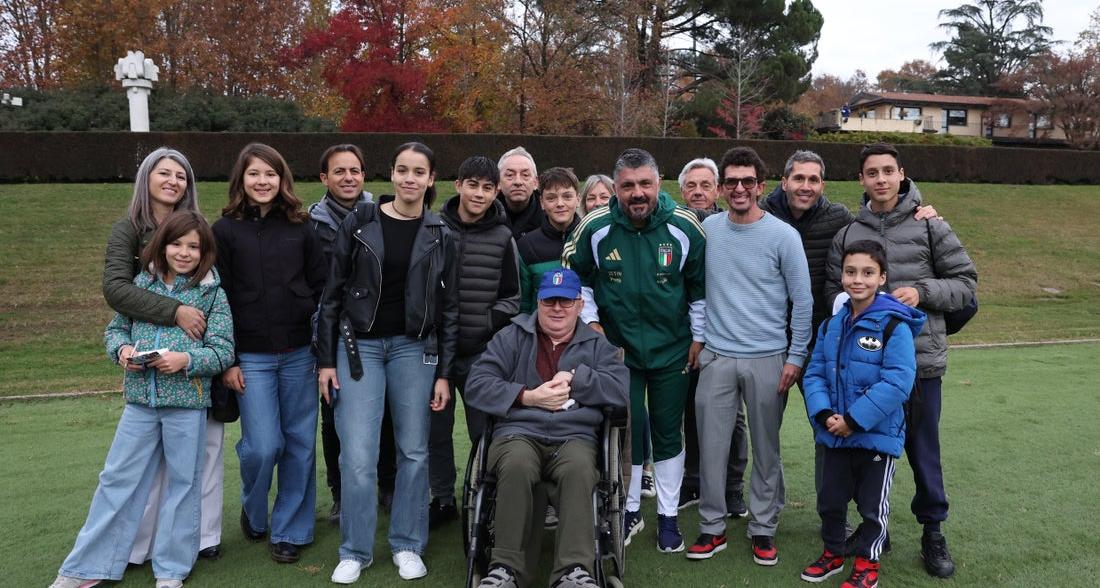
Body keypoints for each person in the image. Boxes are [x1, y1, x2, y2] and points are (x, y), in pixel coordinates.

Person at [51, 211, 234, 588]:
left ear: (205, 253)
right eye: (176, 244)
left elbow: (223, 351)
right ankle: (86, 568)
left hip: (188, 405)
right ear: (161, 245)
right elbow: (115, 330)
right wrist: (121, 351)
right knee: (116, 479)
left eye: (193, 247)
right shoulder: (140, 283)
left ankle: (171, 571)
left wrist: (186, 360)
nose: (184, 253)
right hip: (139, 403)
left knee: (184, 485)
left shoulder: (213, 292)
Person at [824, 144, 977, 579]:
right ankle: (876, 529)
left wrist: (921, 292)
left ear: (901, 173)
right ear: (861, 180)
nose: (881, 179)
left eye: (888, 171)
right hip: (864, 371)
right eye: (872, 172)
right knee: (868, 451)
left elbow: (965, 284)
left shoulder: (931, 225)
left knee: (923, 452)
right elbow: (833, 297)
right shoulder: (848, 234)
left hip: (921, 363)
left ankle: (933, 531)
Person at [317, 142, 458, 584]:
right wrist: (325, 360)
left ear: (432, 178)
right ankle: (355, 550)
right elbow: (332, 295)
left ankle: (407, 544)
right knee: (358, 454)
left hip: (415, 350)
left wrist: (445, 374)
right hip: (359, 347)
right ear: (392, 175)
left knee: (413, 451)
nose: (410, 178)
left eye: (419, 171)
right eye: (402, 170)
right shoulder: (361, 222)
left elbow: (449, 308)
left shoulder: (441, 233)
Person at [564, 148, 706, 553]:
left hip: (672, 350)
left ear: (659, 184)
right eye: (628, 185)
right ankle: (628, 511)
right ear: (616, 188)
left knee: (667, 432)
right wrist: (592, 326)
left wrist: (697, 337)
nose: (637, 193)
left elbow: (699, 287)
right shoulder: (595, 226)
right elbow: (579, 281)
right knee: (628, 432)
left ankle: (668, 517)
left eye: (645, 184)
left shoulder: (684, 227)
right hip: (618, 352)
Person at [465, 267, 630, 588]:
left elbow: (621, 391)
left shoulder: (597, 346)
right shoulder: (511, 336)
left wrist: (578, 378)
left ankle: (573, 571)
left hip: (574, 437)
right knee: (516, 464)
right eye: (550, 301)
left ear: (580, 305)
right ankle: (505, 570)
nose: (557, 308)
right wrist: (526, 397)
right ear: (538, 302)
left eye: (566, 302)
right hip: (518, 434)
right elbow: (477, 384)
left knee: (581, 468)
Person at [101, 147, 227, 565]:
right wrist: (174, 311)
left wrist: (203, 351)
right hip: (151, 370)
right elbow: (117, 291)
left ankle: (201, 537)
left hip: (194, 368)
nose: (173, 181)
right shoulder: (128, 230)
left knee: (201, 456)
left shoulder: (199, 229)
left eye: (182, 176)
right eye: (164, 173)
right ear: (147, 178)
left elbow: (211, 290)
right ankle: (142, 544)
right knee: (147, 467)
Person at [686, 146, 812, 566]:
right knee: (712, 449)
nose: (740, 188)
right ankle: (712, 526)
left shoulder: (783, 236)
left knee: (766, 449)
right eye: (732, 182)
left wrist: (795, 357)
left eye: (748, 182)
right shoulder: (708, 231)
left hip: (768, 359)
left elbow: (803, 301)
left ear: (761, 186)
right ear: (721, 188)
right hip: (718, 358)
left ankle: (762, 528)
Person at [213, 143, 326, 565]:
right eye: (255, 174)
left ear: (283, 180)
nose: (263, 182)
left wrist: (322, 351)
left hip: (299, 353)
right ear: (241, 179)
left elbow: (320, 286)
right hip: (250, 357)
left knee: (299, 444)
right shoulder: (223, 231)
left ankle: (290, 530)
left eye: (271, 174)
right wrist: (228, 361)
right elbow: (216, 299)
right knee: (263, 446)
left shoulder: (302, 226)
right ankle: (254, 509)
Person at [800, 240, 925, 588]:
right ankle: (833, 553)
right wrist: (825, 414)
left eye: (868, 273)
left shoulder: (894, 327)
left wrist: (853, 421)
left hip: (874, 436)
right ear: (842, 277)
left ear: (881, 277)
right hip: (833, 433)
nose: (858, 279)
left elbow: (898, 382)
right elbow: (815, 373)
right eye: (851, 272)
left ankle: (868, 563)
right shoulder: (830, 326)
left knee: (872, 507)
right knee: (830, 500)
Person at [428, 155, 520, 528]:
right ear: (458, 185)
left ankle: (487, 493)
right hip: (434, 353)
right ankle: (442, 497)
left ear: (495, 191)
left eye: (487, 187)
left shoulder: (503, 236)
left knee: (486, 429)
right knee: (435, 431)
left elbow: (513, 297)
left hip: (481, 352)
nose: (479, 194)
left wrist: (487, 322)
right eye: (472, 185)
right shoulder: (432, 227)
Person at [307, 144, 385, 523]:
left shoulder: (382, 214)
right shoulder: (312, 224)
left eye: (355, 170)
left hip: (376, 330)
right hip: (331, 331)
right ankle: (340, 492)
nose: (348, 178)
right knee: (334, 417)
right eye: (339, 171)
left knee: (384, 415)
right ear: (324, 178)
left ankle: (386, 485)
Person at [675, 157, 749, 518]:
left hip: (727, 336)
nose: (699, 192)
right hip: (683, 337)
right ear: (681, 191)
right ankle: (693, 479)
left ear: (718, 189)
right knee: (690, 409)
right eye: (692, 186)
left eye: (706, 185)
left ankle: (732, 487)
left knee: (731, 415)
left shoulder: (732, 223)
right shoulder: (672, 226)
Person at [518, 167, 581, 314]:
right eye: (551, 198)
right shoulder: (527, 245)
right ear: (542, 202)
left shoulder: (590, 239)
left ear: (578, 199)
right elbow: (524, 304)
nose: (560, 203)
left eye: (567, 196)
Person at [496, 146, 545, 239]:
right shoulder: (485, 213)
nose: (518, 182)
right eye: (510, 175)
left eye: (525, 175)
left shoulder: (549, 216)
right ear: (498, 182)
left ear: (536, 183)